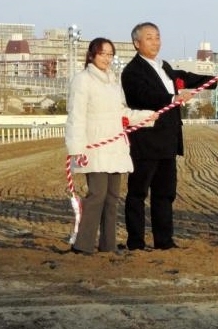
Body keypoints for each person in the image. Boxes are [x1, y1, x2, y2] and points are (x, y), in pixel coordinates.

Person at [121, 22, 218, 251]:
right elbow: (143, 95)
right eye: (149, 38)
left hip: (167, 140)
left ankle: (163, 241)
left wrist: (216, 80)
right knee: (138, 193)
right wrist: (172, 99)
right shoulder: (132, 71)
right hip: (145, 142)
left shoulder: (163, 66)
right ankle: (135, 242)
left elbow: (184, 78)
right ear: (137, 43)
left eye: (157, 37)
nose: (155, 42)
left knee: (165, 194)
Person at [65, 38, 157, 255]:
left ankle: (108, 245)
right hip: (93, 147)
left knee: (112, 197)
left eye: (110, 54)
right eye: (102, 54)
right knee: (97, 194)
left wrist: (148, 116)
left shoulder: (113, 83)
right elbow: (76, 116)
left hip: (115, 147)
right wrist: (76, 148)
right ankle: (83, 245)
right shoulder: (82, 80)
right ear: (91, 55)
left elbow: (122, 113)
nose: (106, 58)